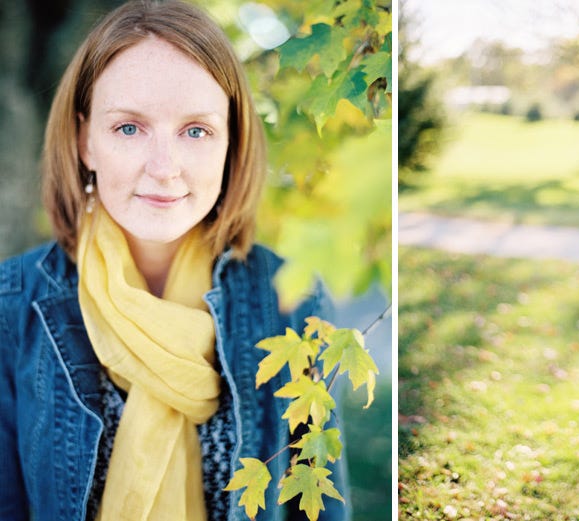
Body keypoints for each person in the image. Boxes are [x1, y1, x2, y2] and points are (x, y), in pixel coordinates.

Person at [0, 1, 348, 520]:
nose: (164, 169)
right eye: (129, 128)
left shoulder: (291, 296)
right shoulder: (13, 303)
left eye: (195, 131)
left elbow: (316, 503)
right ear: (84, 141)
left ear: (231, 143)